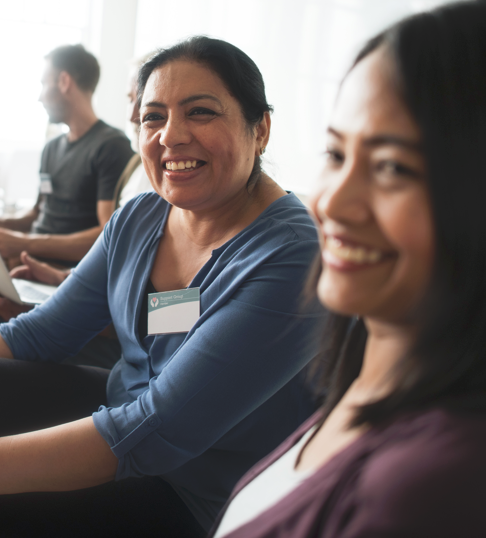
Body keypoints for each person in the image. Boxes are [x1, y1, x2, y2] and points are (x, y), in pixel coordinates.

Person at [208, 2, 486, 537]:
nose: (332, 202)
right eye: (335, 153)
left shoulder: (430, 492)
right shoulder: (370, 371)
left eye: (392, 167)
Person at [0, 37, 325, 537]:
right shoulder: (141, 215)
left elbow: (157, 431)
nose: (170, 136)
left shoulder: (293, 255)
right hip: (121, 412)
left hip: (199, 490)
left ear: (259, 128)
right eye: (153, 117)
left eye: (200, 112)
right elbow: (38, 336)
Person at [0, 44, 134, 266]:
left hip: (61, 272)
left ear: (64, 82)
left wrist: (25, 243)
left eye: (44, 84)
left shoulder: (111, 146)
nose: (39, 97)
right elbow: (37, 213)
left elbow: (107, 233)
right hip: (24, 259)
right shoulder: (51, 148)